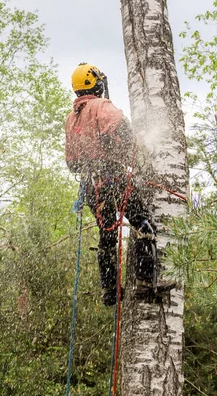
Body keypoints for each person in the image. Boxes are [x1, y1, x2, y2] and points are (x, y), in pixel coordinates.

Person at [65, 63, 157, 306]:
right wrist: (129, 150)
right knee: (143, 224)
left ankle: (109, 290)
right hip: (113, 181)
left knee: (107, 236)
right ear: (96, 83)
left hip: (91, 188)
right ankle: (145, 282)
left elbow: (72, 163)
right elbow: (123, 129)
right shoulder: (101, 106)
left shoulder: (71, 118)